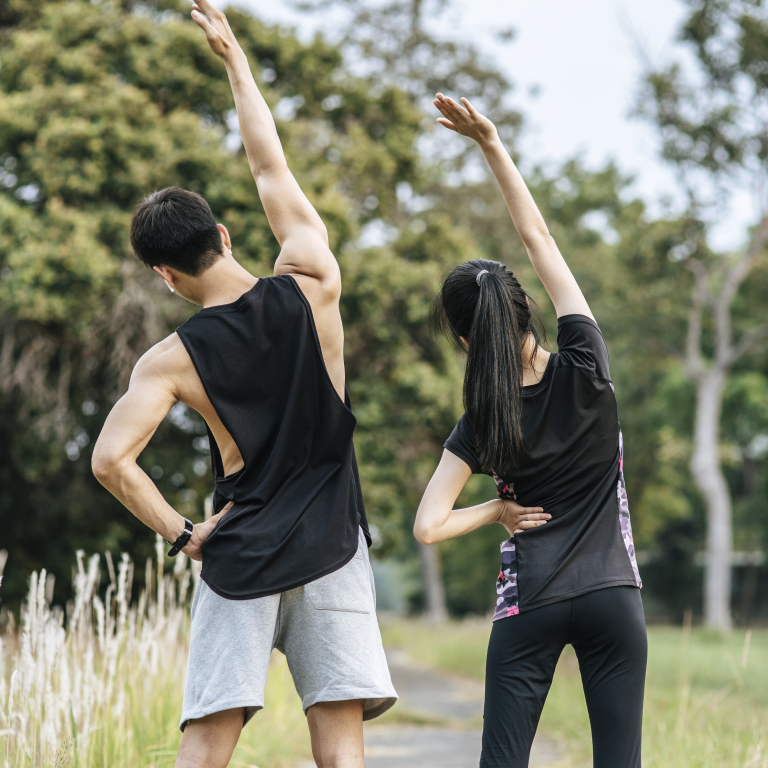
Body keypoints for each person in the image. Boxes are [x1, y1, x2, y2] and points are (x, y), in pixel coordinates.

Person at [92, 3, 401, 766]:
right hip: (332, 544)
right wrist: (233, 57)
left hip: (243, 557)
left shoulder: (168, 360)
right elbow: (269, 166)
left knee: (208, 741)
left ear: (165, 276)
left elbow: (110, 462)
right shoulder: (313, 279)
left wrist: (183, 534)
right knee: (340, 745)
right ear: (223, 235)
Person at [413, 93, 646, 768]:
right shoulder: (587, 363)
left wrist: (497, 511)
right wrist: (489, 141)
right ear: (527, 309)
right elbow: (538, 240)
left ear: (465, 340)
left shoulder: (481, 421)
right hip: (613, 595)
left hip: (531, 603)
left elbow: (429, 526)